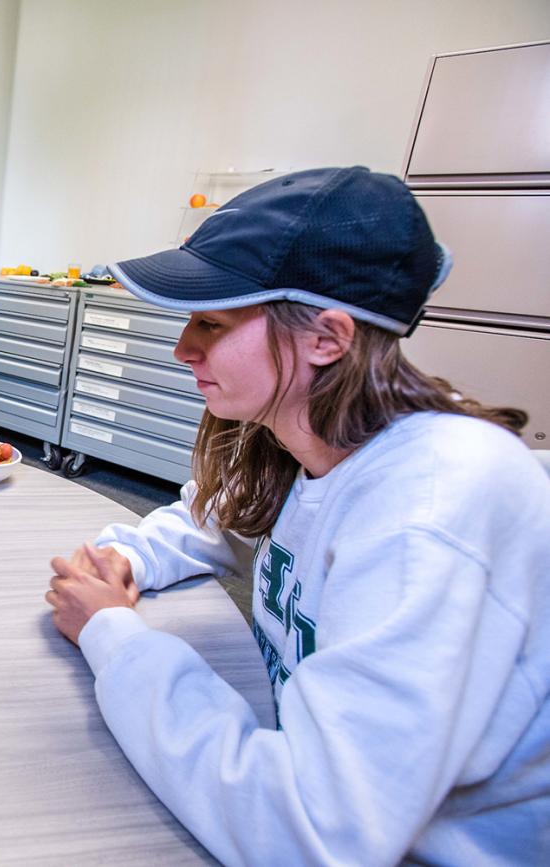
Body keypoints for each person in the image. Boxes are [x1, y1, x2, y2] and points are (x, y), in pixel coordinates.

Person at [44, 167, 549, 865]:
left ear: (327, 337)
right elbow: (213, 514)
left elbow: (313, 833)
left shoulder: (427, 511)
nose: (183, 347)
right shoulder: (311, 434)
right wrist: (127, 558)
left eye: (212, 321)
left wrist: (114, 635)